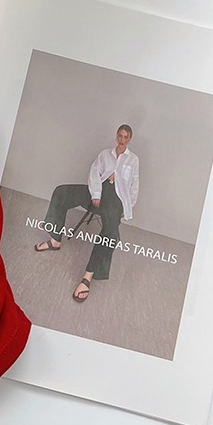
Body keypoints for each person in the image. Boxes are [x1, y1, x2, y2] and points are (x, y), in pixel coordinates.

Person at [33, 125, 140, 302]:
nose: (122, 139)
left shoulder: (133, 160)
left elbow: (134, 185)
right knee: (61, 192)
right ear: (116, 137)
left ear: (130, 139)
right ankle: (55, 240)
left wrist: (125, 207)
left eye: (125, 137)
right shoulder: (105, 154)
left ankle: (88, 276)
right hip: (97, 191)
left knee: (111, 234)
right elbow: (94, 172)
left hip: (116, 199)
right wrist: (96, 194)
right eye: (120, 136)